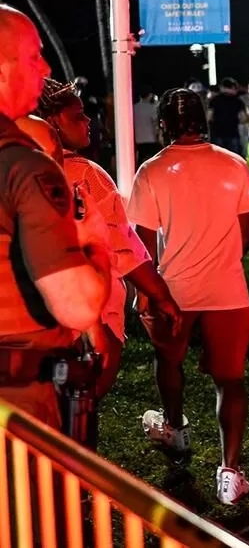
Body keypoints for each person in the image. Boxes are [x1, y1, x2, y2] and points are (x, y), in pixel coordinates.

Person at [127, 88, 249, 505]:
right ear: (203, 120)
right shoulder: (234, 164)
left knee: (168, 360)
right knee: (230, 379)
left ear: (163, 123)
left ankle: (175, 428)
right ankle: (230, 471)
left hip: (174, 290)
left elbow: (142, 246)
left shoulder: (151, 171)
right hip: (228, 289)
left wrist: (146, 292)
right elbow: (247, 236)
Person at [0, 5, 111, 429]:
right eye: (34, 56)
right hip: (19, 409)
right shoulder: (23, 166)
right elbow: (76, 305)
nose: (45, 68)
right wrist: (96, 247)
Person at [37, 79, 181, 401]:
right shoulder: (87, 177)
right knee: (79, 416)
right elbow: (123, 246)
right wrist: (160, 295)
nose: (89, 121)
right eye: (78, 116)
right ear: (51, 124)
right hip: (90, 323)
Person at [208, 77, 246, 156]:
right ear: (232, 87)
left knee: (219, 159)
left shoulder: (214, 100)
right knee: (233, 158)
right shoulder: (238, 101)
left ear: (222, 87)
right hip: (233, 133)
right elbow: (243, 118)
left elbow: (208, 117)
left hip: (217, 133)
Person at [134, 88, 161, 164]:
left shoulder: (134, 108)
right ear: (149, 95)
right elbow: (155, 123)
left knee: (140, 159)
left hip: (138, 139)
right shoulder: (151, 108)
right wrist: (158, 135)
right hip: (151, 139)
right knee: (154, 160)